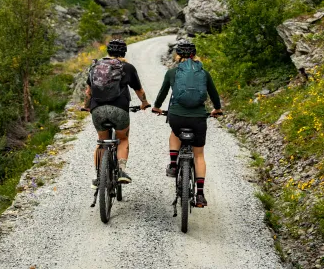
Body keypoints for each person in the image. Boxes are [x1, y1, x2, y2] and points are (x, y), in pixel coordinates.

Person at [152, 39, 222, 208]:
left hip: (177, 116)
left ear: (178, 55)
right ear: (194, 54)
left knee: (175, 133)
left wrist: (156, 107)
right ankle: (199, 194)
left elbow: (162, 93)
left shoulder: (172, 73)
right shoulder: (204, 73)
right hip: (198, 118)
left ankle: (174, 165)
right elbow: (214, 95)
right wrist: (217, 110)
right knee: (198, 155)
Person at [83, 39, 149, 187]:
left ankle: (100, 176)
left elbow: (88, 92)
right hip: (119, 110)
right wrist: (144, 103)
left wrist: (87, 106)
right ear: (124, 52)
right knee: (123, 139)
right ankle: (121, 171)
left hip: (98, 110)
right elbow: (139, 91)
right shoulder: (128, 67)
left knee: (101, 142)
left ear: (108, 51)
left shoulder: (95, 67)